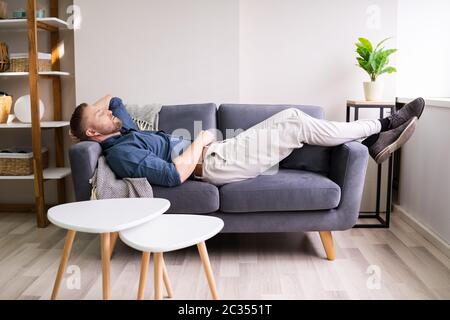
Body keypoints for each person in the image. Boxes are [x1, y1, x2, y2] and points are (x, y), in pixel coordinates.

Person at [69, 96, 425, 187]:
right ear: (92, 135)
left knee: (291, 116)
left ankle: (377, 137)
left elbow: (113, 100)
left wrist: (94, 112)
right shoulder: (123, 153)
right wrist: (202, 140)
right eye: (100, 117)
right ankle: (382, 126)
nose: (111, 113)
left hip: (218, 151)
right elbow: (172, 176)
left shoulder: (124, 130)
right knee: (295, 125)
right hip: (210, 164)